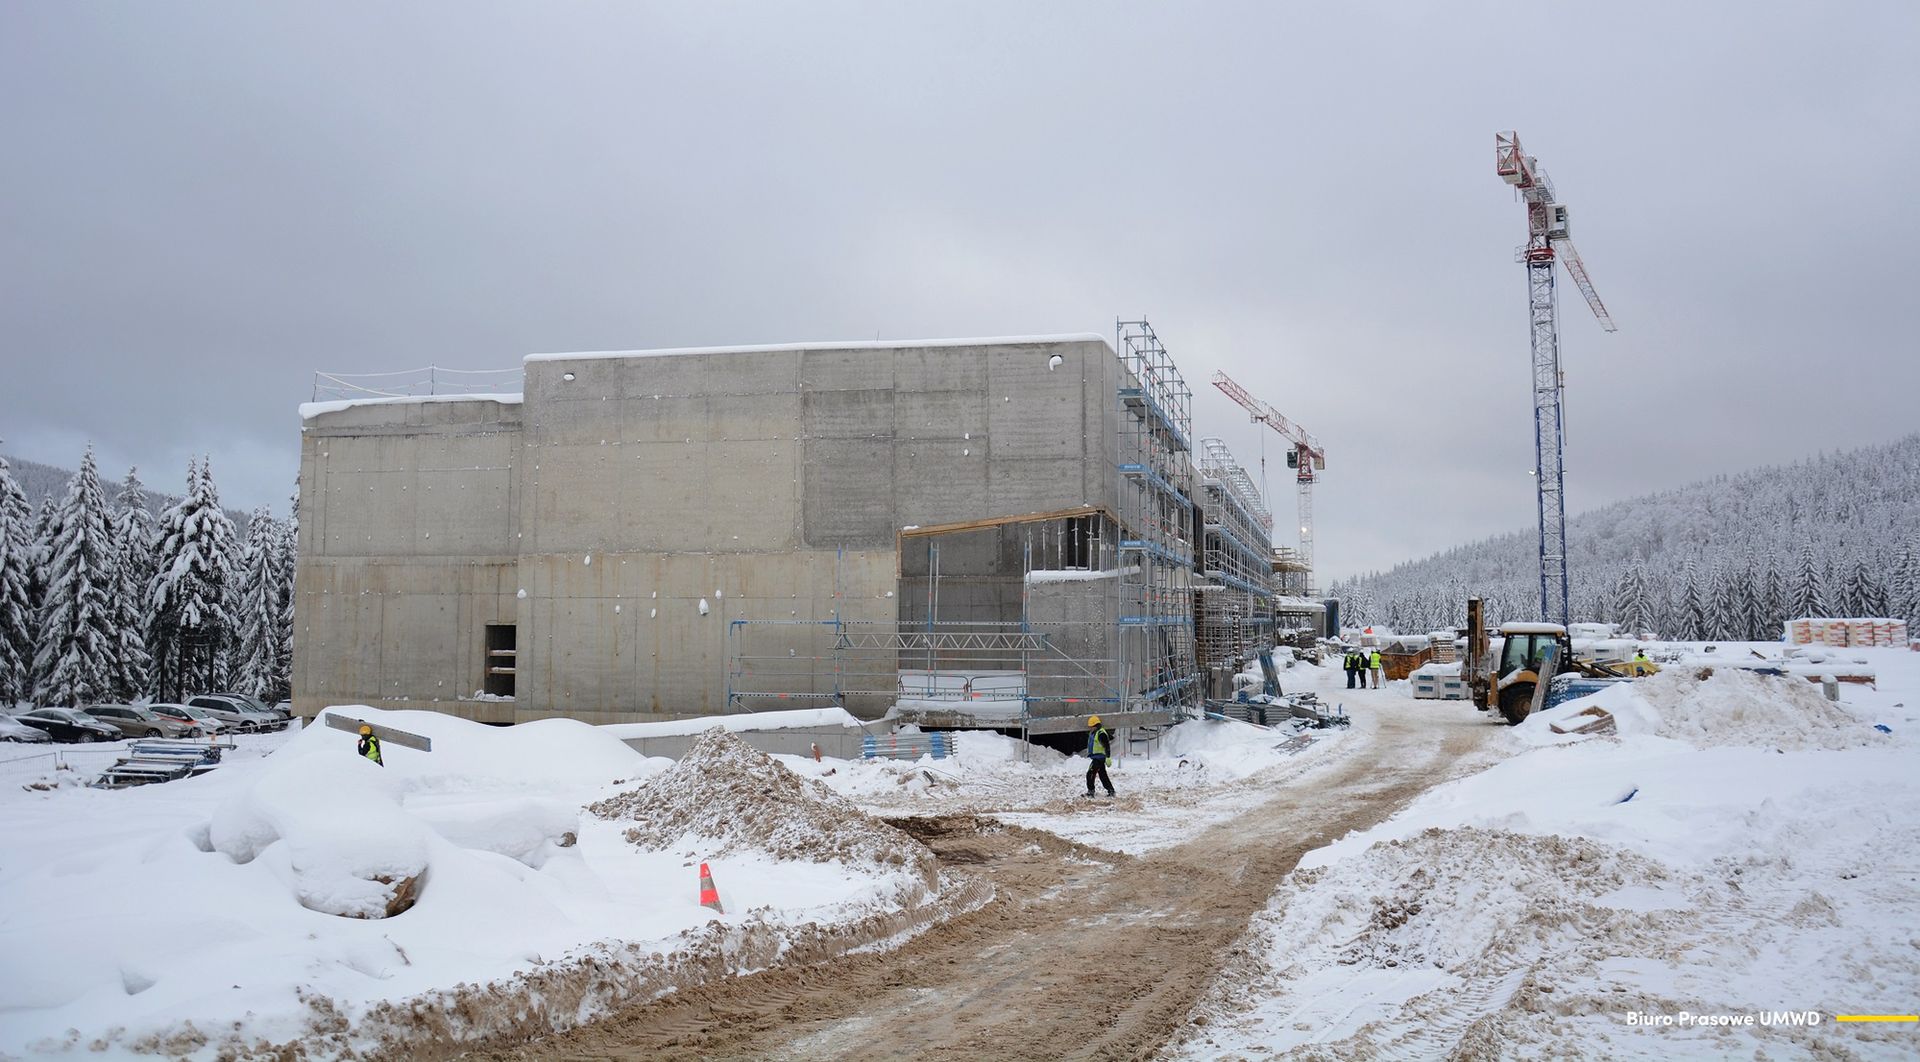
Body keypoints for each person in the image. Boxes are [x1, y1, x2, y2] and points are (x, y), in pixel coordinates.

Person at [1085, 716, 1116, 798]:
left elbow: (1107, 745)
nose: (1090, 728)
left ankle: (1091, 791)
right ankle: (1111, 790)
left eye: (1091, 727)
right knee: (1102, 775)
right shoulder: (1096, 732)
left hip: (1099, 758)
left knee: (1090, 774)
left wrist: (1108, 757)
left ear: (1095, 726)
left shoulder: (1101, 734)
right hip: (1097, 757)